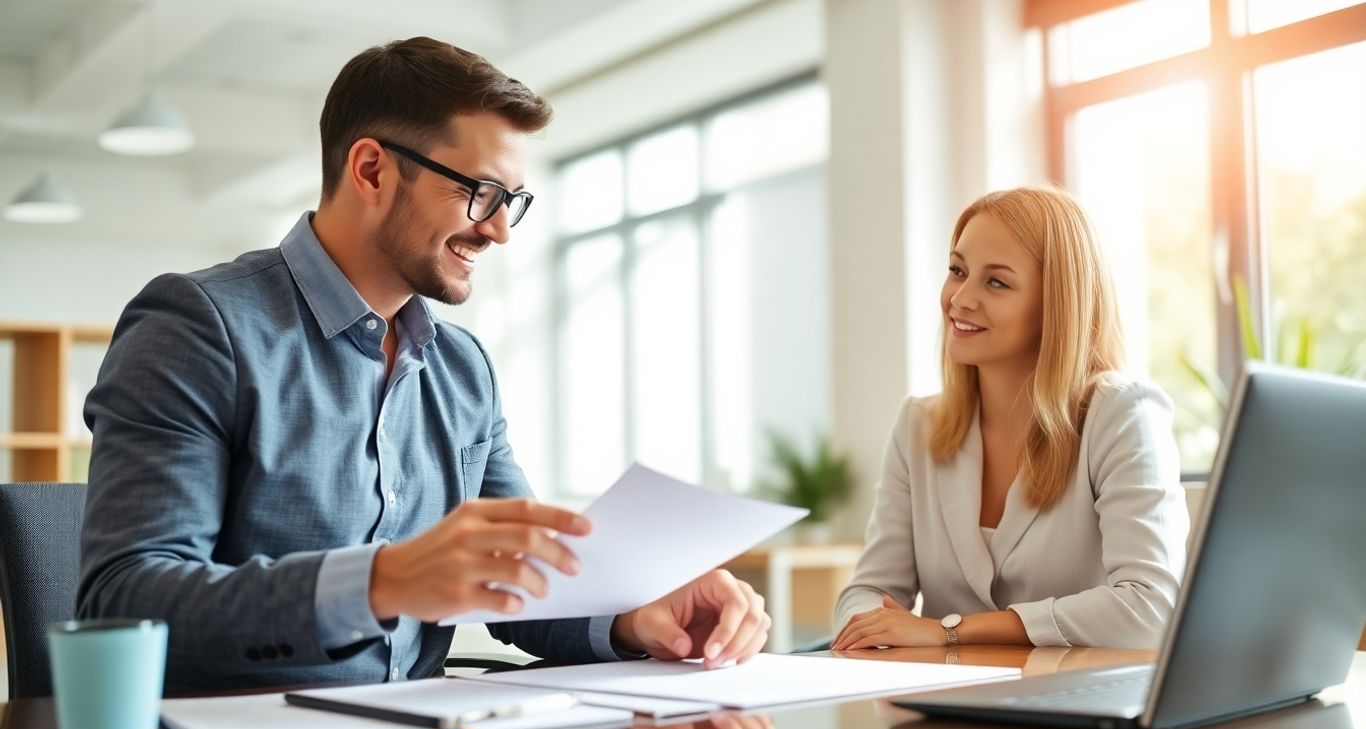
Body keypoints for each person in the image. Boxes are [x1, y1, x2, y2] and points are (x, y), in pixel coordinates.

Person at [77, 37, 769, 694]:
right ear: (372, 170)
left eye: (512, 202)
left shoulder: (464, 369)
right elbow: (125, 600)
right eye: (482, 192)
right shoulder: (200, 326)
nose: (499, 229)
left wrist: (636, 613)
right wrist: (380, 582)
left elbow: (520, 581)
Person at [832, 187, 1188, 652]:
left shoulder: (1121, 414)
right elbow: (869, 589)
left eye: (996, 283)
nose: (960, 298)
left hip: (1078, 695)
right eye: (957, 271)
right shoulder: (918, 425)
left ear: (1056, 304)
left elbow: (1152, 608)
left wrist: (950, 631)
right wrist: (870, 626)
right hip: (949, 697)